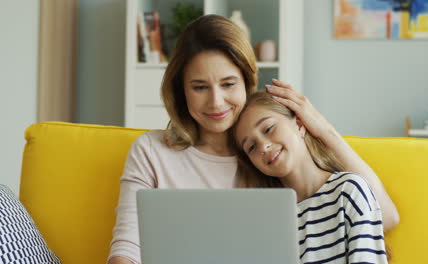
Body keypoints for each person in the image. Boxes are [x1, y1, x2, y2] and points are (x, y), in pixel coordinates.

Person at [108, 15, 398, 264]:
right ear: (181, 90)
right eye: (199, 87)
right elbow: (127, 250)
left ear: (247, 82)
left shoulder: (267, 161)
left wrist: (321, 128)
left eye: (228, 84)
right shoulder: (151, 151)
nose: (216, 102)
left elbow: (381, 214)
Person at [232, 91, 389, 263]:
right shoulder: (267, 218)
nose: (263, 146)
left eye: (269, 129)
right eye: (251, 147)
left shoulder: (348, 191)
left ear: (299, 123)